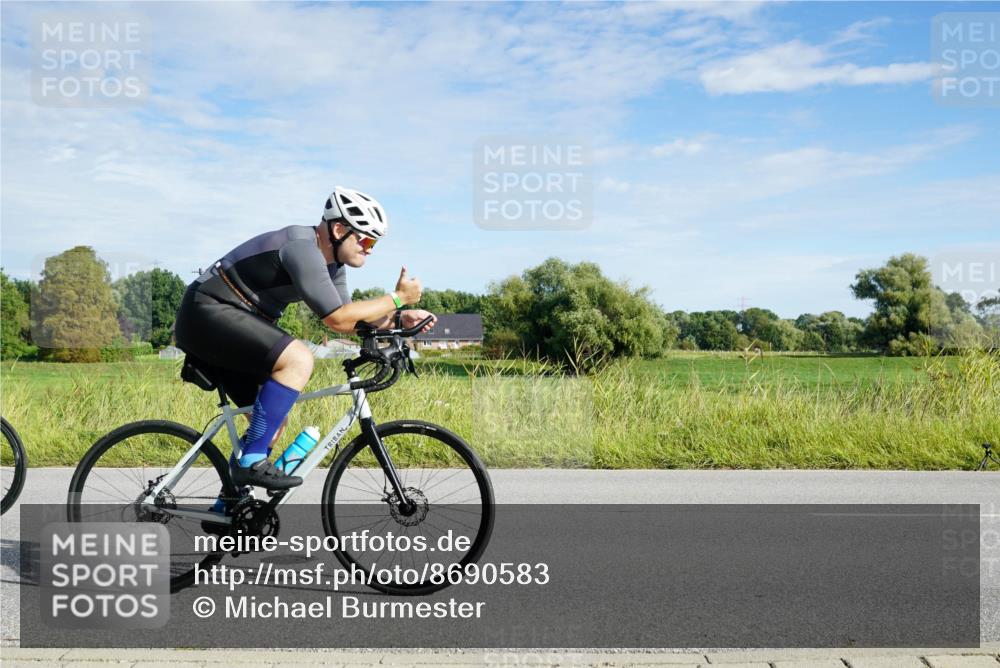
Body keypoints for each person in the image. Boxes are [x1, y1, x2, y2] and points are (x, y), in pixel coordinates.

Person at [174, 186, 436, 490]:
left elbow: (346, 319)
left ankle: (231, 503)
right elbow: (336, 316)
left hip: (231, 320)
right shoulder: (303, 248)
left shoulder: (331, 264)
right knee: (298, 358)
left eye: (373, 241)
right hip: (207, 311)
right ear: (339, 229)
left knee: (271, 425)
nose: (370, 248)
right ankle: (249, 464)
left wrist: (397, 319)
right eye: (365, 238)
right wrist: (397, 298)